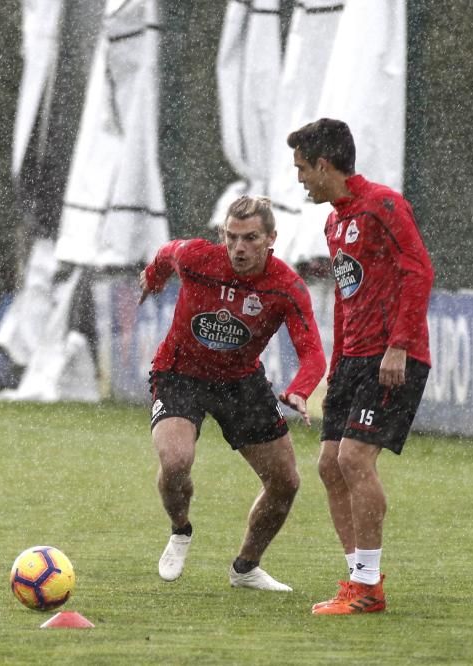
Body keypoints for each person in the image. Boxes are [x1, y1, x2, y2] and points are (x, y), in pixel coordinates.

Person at [138, 195, 326, 591]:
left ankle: (246, 568)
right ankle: (181, 529)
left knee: (286, 483)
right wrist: (153, 276)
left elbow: (312, 354)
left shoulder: (286, 286)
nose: (239, 248)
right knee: (175, 461)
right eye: (232, 237)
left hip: (240, 382)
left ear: (271, 237)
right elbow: (166, 253)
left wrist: (299, 389)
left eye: (251, 238)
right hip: (180, 372)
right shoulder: (197, 258)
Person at [286, 118, 434, 614]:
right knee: (330, 465)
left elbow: (419, 270)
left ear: (324, 165)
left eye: (303, 169)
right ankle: (357, 578)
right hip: (354, 360)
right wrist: (339, 361)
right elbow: (349, 297)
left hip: (392, 357)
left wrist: (400, 345)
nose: (301, 179)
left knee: (353, 460)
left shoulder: (384, 206)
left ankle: (369, 586)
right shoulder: (334, 220)